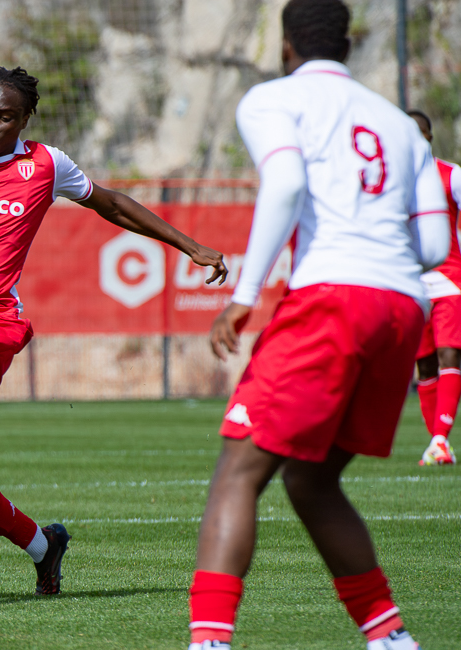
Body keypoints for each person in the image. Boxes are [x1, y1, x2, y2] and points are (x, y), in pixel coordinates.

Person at [0, 62, 228, 597]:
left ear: (25, 120)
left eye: (6, 117)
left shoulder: (45, 164)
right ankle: (45, 548)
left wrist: (190, 246)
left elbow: (112, 204)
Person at [194, 1, 450, 648]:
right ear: (348, 45)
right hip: (401, 308)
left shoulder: (273, 99)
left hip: (333, 297)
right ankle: (390, 637)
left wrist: (244, 294)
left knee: (238, 471)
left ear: (286, 46)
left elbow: (284, 184)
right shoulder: (398, 124)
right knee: (312, 479)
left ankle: (208, 641)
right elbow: (432, 245)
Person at [408, 108, 461, 466]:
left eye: (420, 133)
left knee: (449, 355)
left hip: (449, 278)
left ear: (429, 137)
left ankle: (440, 439)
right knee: (425, 365)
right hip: (413, 284)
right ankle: (436, 443)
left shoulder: (452, 175)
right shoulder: (392, 182)